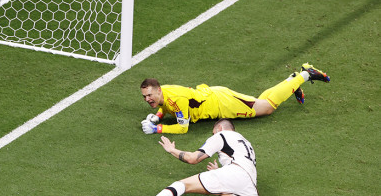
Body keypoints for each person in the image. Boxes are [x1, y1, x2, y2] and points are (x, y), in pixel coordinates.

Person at [125, 118, 257, 196]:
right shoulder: (246, 143)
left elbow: (192, 159)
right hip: (249, 191)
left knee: (183, 184)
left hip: (234, 174)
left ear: (220, 128)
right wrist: (220, 171)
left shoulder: (221, 135)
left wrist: (172, 150)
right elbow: (241, 168)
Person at [140, 62, 330, 134]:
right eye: (144, 96)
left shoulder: (176, 98)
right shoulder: (164, 92)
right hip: (216, 96)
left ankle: (305, 75)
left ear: (157, 91)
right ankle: (292, 82)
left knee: (268, 107)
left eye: (150, 95)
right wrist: (159, 115)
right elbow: (167, 105)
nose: (147, 99)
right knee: (260, 102)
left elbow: (183, 127)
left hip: (223, 104)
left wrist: (157, 128)